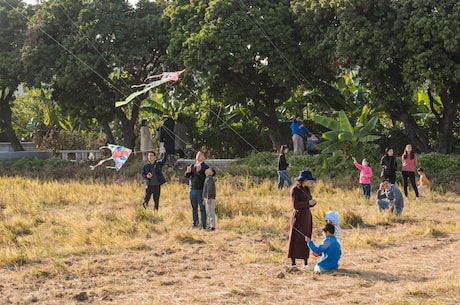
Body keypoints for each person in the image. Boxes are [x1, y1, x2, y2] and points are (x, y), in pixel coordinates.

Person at [287, 170, 317, 268]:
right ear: (303, 180)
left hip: (307, 217)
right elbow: (295, 205)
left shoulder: (307, 189)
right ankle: (293, 263)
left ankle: (305, 262)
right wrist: (308, 203)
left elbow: (309, 202)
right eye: (309, 180)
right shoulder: (295, 189)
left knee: (306, 238)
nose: (310, 182)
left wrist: (312, 203)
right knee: (296, 238)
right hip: (298, 217)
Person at [185, 151, 209, 229]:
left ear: (204, 157)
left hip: (201, 190)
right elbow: (187, 176)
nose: (198, 156)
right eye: (197, 155)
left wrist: (199, 172)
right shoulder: (192, 165)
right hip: (192, 189)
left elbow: (205, 179)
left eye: (200, 155)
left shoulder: (205, 167)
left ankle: (204, 224)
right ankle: (195, 223)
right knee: (194, 208)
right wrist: (188, 172)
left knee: (202, 208)